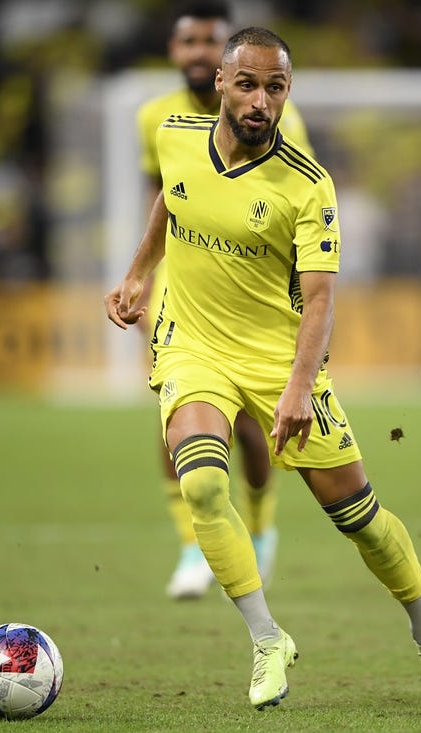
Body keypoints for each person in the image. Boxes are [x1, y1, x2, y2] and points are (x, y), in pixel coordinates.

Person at [106, 26, 421, 710]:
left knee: (358, 516)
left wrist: (300, 386)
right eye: (247, 84)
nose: (260, 101)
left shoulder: (307, 185)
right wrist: (137, 274)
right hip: (194, 345)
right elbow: (171, 199)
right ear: (220, 82)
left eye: (276, 88)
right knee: (206, 487)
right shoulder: (175, 134)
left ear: (286, 96)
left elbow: (323, 298)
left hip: (280, 360)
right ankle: (267, 637)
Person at [134, 1, 312, 600]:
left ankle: (260, 528)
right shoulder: (155, 120)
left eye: (211, 42)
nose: (198, 52)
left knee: (249, 429)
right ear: (175, 52)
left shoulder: (279, 120)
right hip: (178, 290)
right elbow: (161, 197)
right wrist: (140, 274)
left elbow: (299, 214)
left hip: (251, 299)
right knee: (176, 422)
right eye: (188, 43)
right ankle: (192, 546)